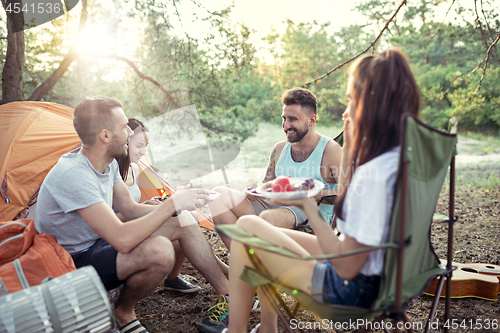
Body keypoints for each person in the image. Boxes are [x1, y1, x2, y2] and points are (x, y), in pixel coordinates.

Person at [198, 48, 421, 333]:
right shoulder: (397, 159)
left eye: (351, 100)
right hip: (380, 275)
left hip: (351, 291)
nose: (344, 111)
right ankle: (266, 327)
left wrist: (307, 206)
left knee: (246, 235)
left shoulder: (372, 174)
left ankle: (246, 327)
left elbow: (346, 266)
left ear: (371, 103)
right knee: (249, 225)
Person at [35, 97, 231, 333]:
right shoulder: (75, 174)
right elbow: (122, 239)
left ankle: (231, 296)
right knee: (160, 251)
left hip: (97, 244)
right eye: (123, 126)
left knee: (184, 221)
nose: (129, 131)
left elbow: (130, 210)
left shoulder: (108, 164)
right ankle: (123, 311)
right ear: (105, 136)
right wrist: (170, 206)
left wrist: (179, 206)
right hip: (71, 260)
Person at [208, 87, 342, 249]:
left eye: (293, 119)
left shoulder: (331, 150)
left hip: (309, 211)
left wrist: (318, 193)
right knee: (218, 195)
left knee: (266, 219)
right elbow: (267, 184)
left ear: (312, 120)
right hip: (275, 204)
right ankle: (242, 260)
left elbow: (352, 189)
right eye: (284, 118)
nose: (286, 125)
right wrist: (253, 189)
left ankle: (250, 262)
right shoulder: (279, 149)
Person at [115, 117, 201, 293]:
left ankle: (173, 278)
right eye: (139, 146)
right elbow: (117, 215)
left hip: (134, 224)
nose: (143, 151)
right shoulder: (112, 172)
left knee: (191, 216)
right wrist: (163, 208)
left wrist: (149, 204)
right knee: (184, 220)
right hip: (120, 233)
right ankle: (224, 274)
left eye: (146, 146)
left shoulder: (135, 168)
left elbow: (131, 206)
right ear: (125, 141)